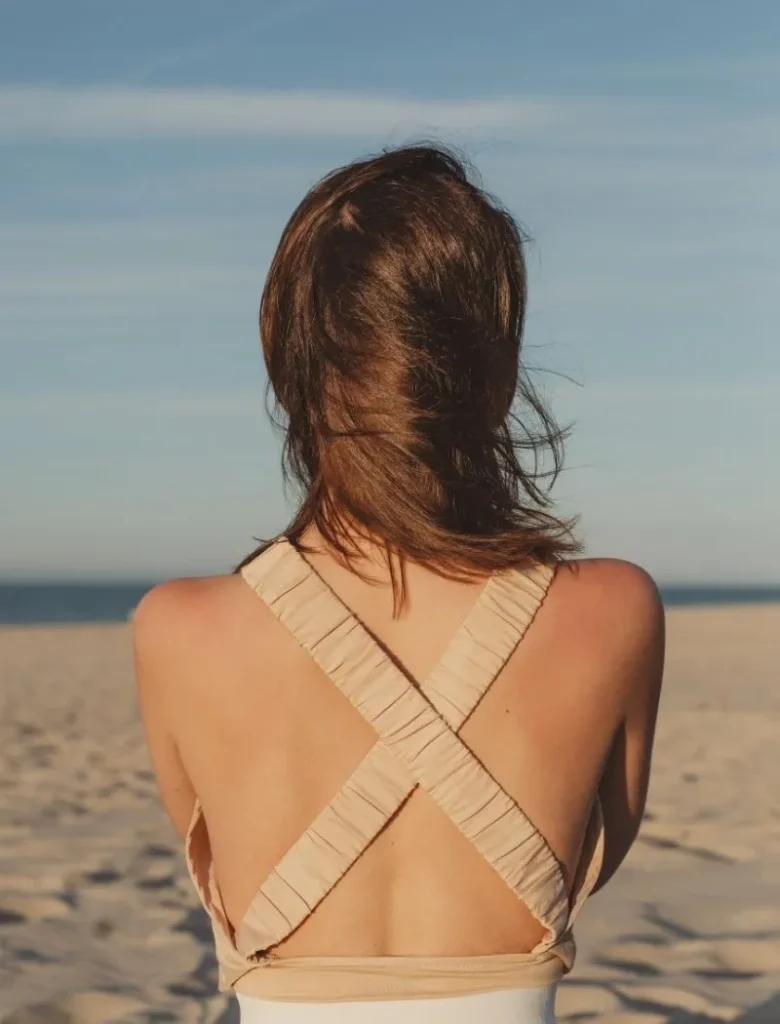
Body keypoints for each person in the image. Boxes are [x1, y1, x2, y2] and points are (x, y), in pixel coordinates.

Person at [133, 144, 665, 1024]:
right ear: (494, 370)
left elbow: (222, 845)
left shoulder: (178, 628)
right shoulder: (614, 610)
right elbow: (595, 852)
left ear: (287, 365)